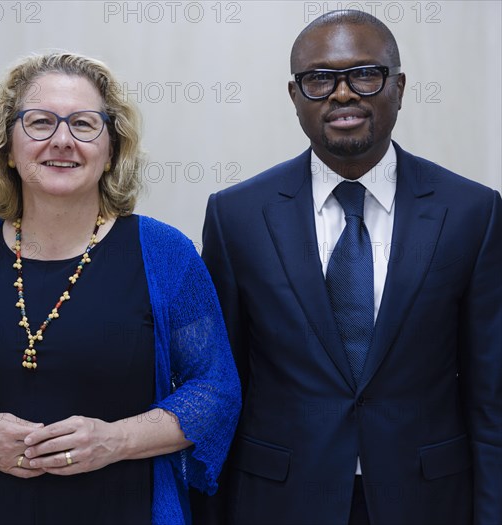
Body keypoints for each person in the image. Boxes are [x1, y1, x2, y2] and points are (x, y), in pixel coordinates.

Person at [0, 52, 241, 525]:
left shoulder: (165, 254)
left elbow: (215, 388)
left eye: (84, 124)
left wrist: (115, 440)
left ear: (111, 150)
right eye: (40, 122)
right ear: (8, 146)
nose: (62, 140)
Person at [197, 10, 501, 525]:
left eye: (365, 73)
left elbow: (490, 395)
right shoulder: (236, 216)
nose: (342, 94)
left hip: (428, 501)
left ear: (399, 87)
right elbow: (219, 388)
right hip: (279, 501)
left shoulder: (473, 212)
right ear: (295, 96)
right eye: (318, 78)